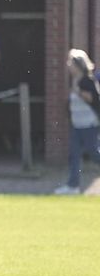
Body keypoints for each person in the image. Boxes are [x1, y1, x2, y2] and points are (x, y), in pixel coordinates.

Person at [54, 49, 100, 194]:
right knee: (74, 154)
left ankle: (73, 185)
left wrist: (77, 91)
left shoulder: (87, 80)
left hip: (89, 124)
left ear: (78, 65)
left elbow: (92, 99)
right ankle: (73, 186)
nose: (68, 65)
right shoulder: (74, 81)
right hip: (77, 124)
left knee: (94, 153)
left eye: (71, 62)